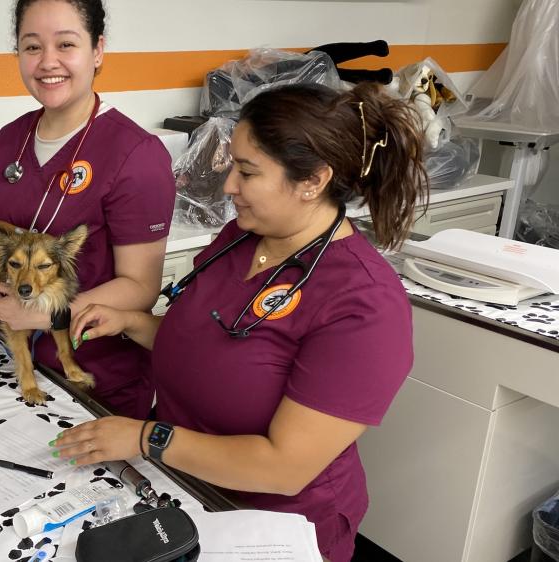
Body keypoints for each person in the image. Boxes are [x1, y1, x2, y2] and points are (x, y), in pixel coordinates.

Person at [52, 82, 429, 561]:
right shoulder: (240, 239)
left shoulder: (364, 304)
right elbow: (213, 345)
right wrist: (129, 321)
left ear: (312, 180)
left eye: (246, 172)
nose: (229, 186)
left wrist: (144, 437)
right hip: (182, 489)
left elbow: (283, 467)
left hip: (273, 522)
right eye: (232, 164)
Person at [0, 0, 175, 418]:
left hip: (92, 380)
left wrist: (45, 313)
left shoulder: (137, 154)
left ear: (97, 50)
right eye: (32, 47)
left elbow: (140, 288)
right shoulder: (9, 140)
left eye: (66, 44)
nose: (48, 62)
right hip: (9, 361)